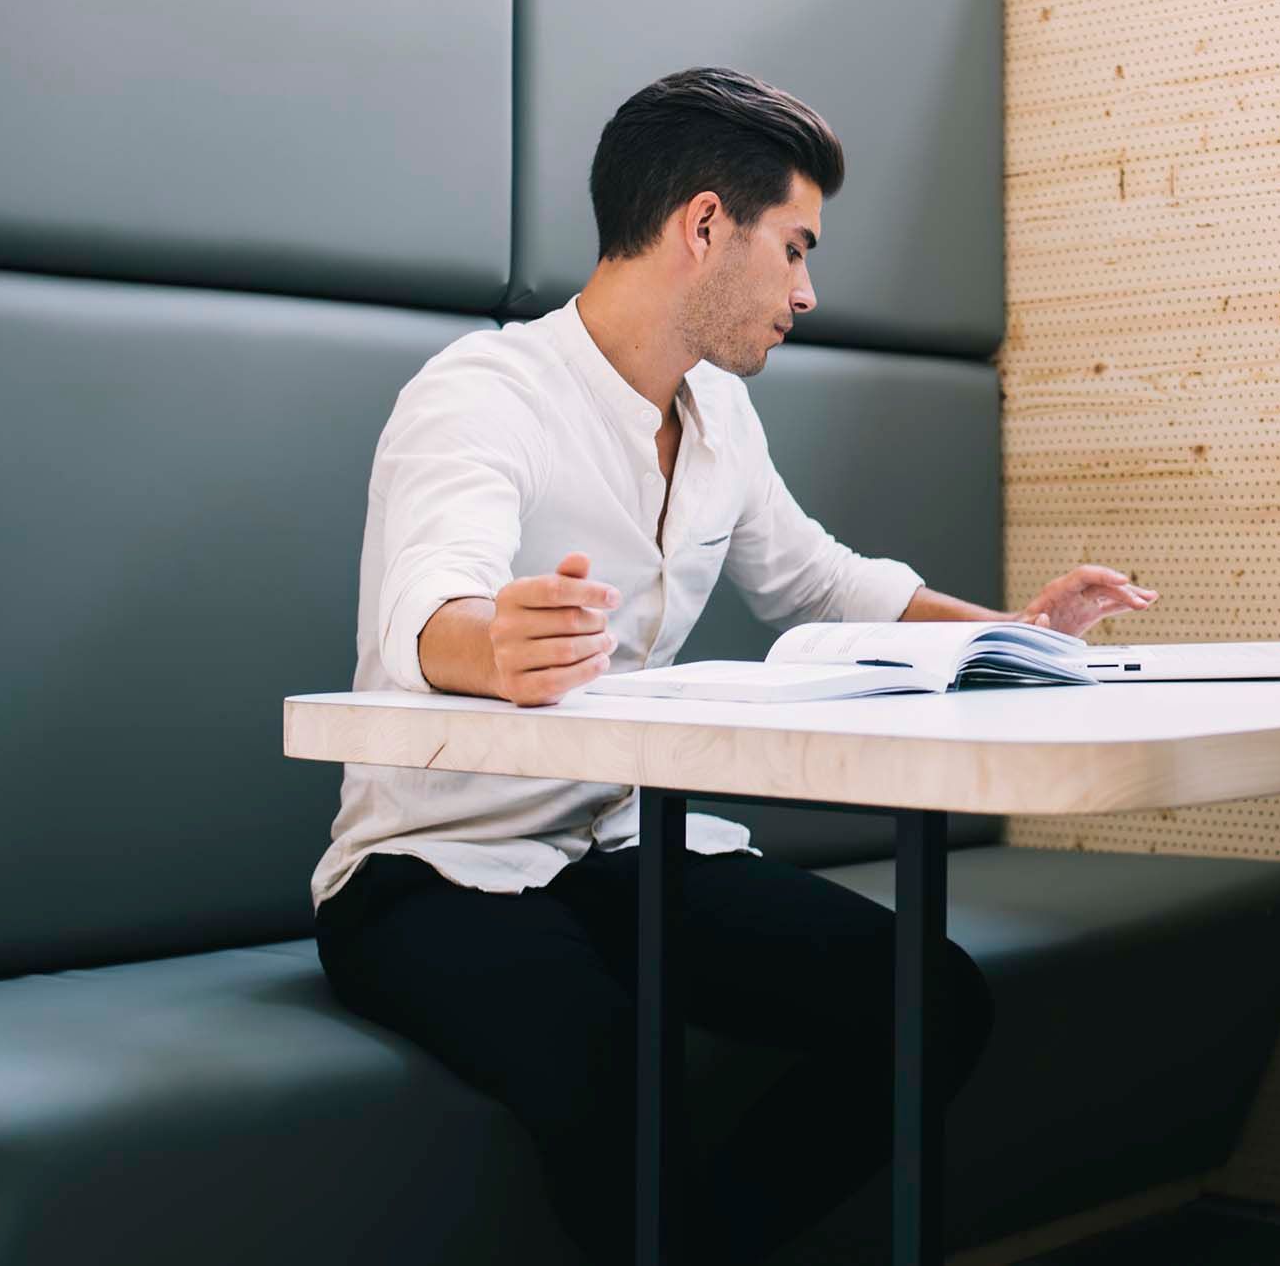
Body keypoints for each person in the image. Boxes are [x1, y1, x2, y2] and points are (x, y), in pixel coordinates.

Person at [309, 66, 1156, 1265]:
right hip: (429, 873)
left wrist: (1015, 635)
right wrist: (491, 640)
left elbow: (821, 579)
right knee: (619, 1073)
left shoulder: (715, 415)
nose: (808, 291)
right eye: (797, 248)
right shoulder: (482, 392)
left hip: (615, 846)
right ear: (705, 225)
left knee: (931, 1001)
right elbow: (428, 601)